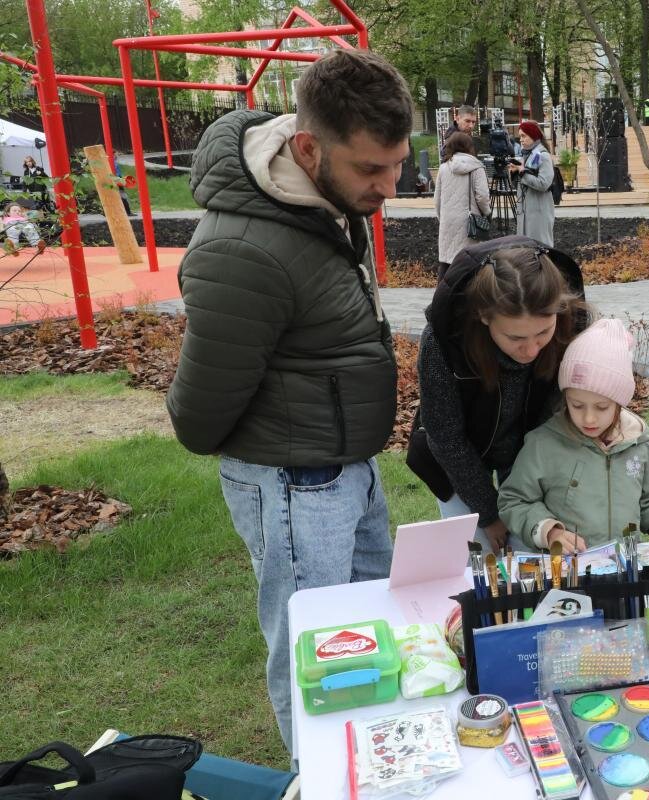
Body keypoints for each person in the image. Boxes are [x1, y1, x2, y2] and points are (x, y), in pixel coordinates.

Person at [165, 49, 413, 755]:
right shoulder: (244, 249)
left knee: (369, 641)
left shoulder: (321, 200)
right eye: (372, 168)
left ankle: (373, 767)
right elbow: (198, 413)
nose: (390, 185)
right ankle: (324, 775)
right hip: (294, 483)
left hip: (342, 471)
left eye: (397, 164)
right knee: (317, 666)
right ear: (307, 148)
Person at [407, 239, 589, 555]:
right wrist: (490, 514)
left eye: (542, 333)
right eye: (516, 337)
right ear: (483, 316)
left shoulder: (571, 324)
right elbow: (447, 440)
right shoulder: (442, 342)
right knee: (476, 558)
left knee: (536, 552)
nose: (531, 350)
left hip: (528, 447)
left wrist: (526, 493)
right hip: (457, 459)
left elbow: (558, 414)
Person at [498, 318, 649, 551]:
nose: (589, 418)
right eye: (577, 405)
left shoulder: (638, 442)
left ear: (620, 403)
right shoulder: (544, 444)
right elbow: (515, 500)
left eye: (601, 407)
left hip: (624, 574)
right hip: (569, 574)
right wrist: (550, 531)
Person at [434, 132, 490, 277]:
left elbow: (437, 199)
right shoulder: (477, 167)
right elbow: (482, 197)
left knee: (446, 263)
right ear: (469, 147)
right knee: (469, 262)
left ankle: (442, 297)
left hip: (447, 221)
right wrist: (486, 213)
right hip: (469, 222)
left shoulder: (444, 168)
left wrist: (443, 218)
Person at [509, 121, 555, 247]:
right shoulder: (527, 155)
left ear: (533, 135)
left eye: (524, 136)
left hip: (538, 212)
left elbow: (544, 183)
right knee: (528, 250)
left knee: (541, 248)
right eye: (520, 137)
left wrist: (523, 173)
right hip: (526, 212)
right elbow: (521, 185)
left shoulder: (542, 155)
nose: (521, 140)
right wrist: (515, 173)